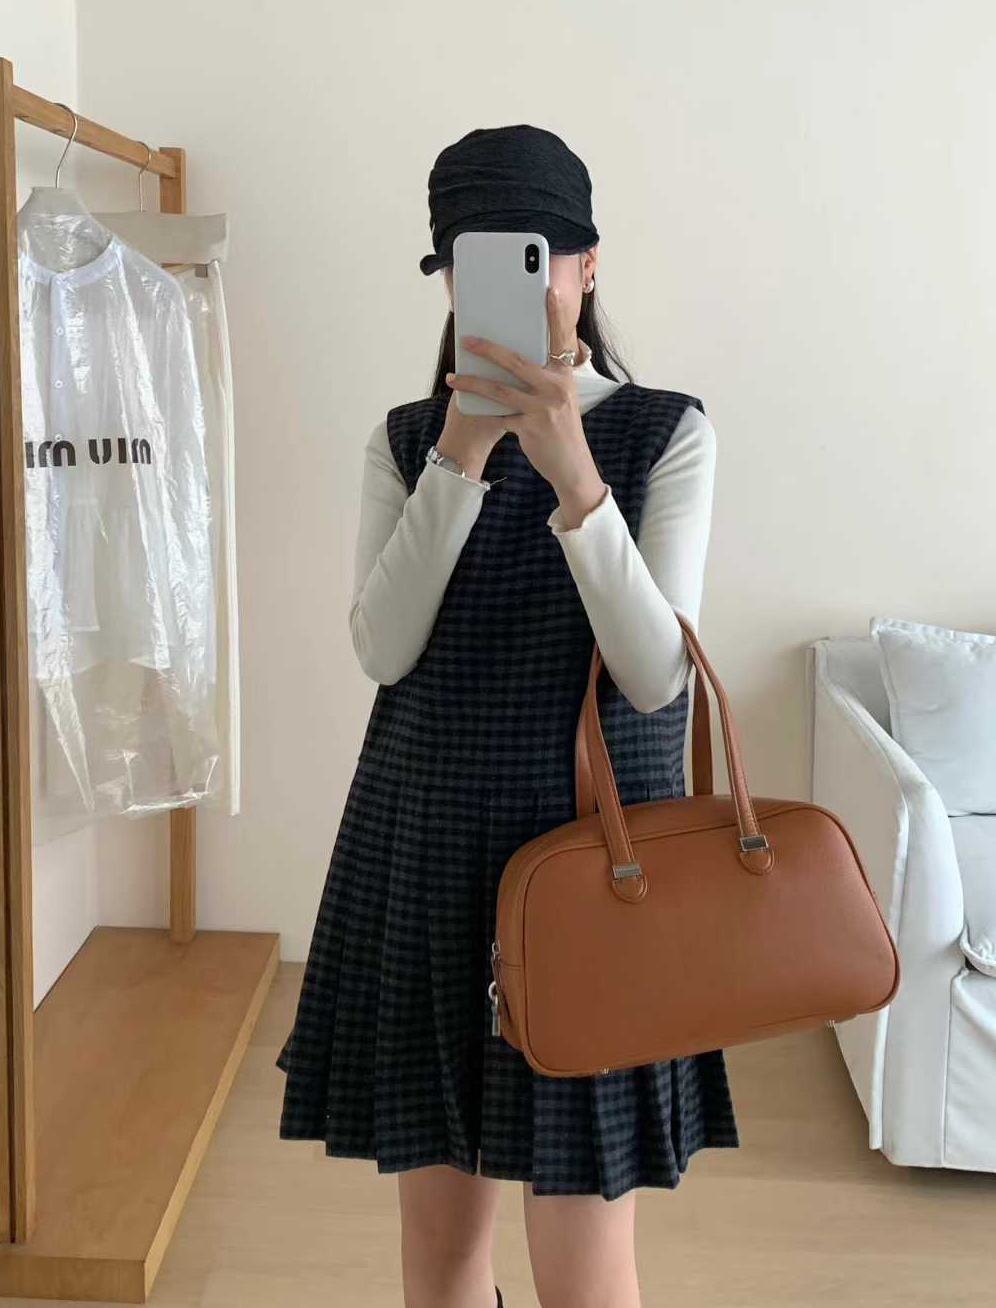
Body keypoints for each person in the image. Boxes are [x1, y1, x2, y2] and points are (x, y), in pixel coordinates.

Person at [275, 124, 740, 1308]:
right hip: (425, 855)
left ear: (585, 264)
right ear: (449, 279)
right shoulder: (406, 442)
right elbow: (382, 649)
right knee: (439, 1257)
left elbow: (655, 676)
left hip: (601, 866)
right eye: (476, 261)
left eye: (538, 256)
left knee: (585, 1269)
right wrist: (464, 457)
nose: (518, 286)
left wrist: (575, 475)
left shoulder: (666, 432)